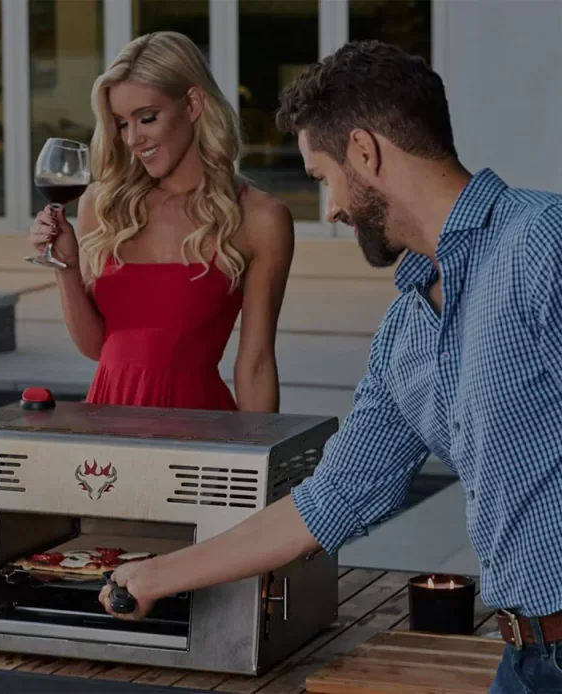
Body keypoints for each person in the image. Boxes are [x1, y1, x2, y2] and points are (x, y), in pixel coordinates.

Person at [98, 40, 562, 692]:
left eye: (323, 178)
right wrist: (156, 576)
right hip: (528, 659)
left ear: (365, 153)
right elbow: (332, 498)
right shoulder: (407, 333)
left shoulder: (542, 244)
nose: (332, 209)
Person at [27, 32, 295, 413]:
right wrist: (66, 267)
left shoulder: (259, 219)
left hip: (201, 429)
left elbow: (256, 365)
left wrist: (261, 448)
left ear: (193, 104)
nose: (132, 139)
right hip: (107, 432)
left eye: (147, 118)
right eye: (121, 123)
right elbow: (99, 347)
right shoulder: (102, 205)